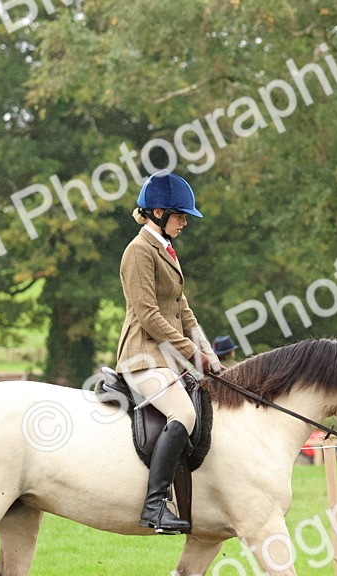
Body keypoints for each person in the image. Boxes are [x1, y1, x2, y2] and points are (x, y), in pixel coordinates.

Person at [116, 172, 223, 533]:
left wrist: (210, 354)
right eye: (180, 216)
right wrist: (193, 353)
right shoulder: (138, 252)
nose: (185, 222)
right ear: (158, 212)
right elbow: (148, 314)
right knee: (183, 412)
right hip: (141, 357)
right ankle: (154, 506)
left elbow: (183, 310)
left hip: (166, 358)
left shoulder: (166, 252)